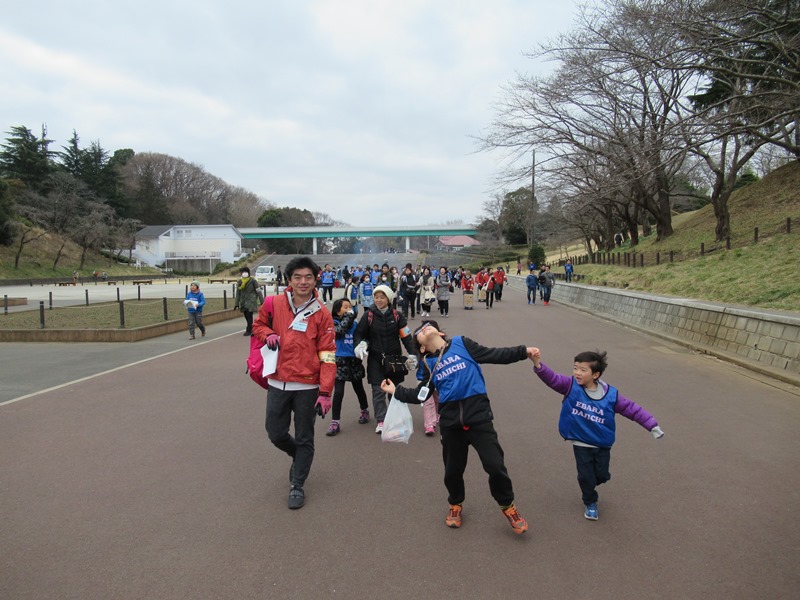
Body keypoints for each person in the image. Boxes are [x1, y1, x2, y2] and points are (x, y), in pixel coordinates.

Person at [380, 320, 534, 534]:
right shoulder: (428, 365)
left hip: (479, 418)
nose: (423, 328)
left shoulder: (463, 344)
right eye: (419, 332)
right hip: (451, 424)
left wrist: (522, 352)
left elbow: (493, 354)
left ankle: (508, 506)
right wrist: (395, 390)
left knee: (495, 465)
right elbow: (420, 394)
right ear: (422, 348)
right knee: (453, 470)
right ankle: (455, 504)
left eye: (427, 326)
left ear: (441, 332)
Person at [529, 348, 664, 521]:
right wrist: (537, 364)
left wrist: (651, 425)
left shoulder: (611, 396)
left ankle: (594, 482)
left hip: (601, 443)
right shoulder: (570, 386)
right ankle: (590, 502)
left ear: (596, 374)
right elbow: (553, 379)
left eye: (583, 370)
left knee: (601, 475)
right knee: (586, 477)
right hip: (581, 442)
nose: (577, 372)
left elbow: (632, 409)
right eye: (575, 368)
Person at [251, 256, 336, 510]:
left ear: (315, 280)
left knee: (305, 437)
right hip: (278, 381)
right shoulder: (274, 303)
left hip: (308, 387)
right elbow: (258, 325)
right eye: (297, 277)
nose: (303, 281)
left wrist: (325, 391)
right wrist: (268, 334)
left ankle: (297, 484)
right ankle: (297, 455)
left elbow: (328, 354)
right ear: (289, 280)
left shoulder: (322, 313)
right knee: (275, 433)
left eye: (308, 277)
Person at [352, 285, 417, 434]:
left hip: (394, 360)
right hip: (376, 359)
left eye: (382, 297)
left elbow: (406, 337)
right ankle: (381, 420)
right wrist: (359, 345)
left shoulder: (397, 316)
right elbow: (359, 333)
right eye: (376, 297)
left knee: (394, 390)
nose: (379, 300)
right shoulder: (368, 315)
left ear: (389, 299)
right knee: (378, 390)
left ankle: (395, 418)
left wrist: (413, 354)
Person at [326, 298, 370, 436]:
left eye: (350, 307)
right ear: (337, 310)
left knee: (359, 388)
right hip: (339, 361)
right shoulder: (333, 323)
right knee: (338, 392)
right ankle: (335, 422)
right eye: (345, 307)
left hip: (353, 360)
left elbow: (363, 336)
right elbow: (340, 331)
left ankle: (364, 410)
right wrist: (349, 316)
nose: (349, 309)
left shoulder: (355, 324)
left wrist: (363, 344)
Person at [235, 267, 264, 336]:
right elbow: (238, 293)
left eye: (245, 272)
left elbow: (258, 291)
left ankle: (249, 329)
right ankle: (251, 328)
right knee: (246, 315)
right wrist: (236, 303)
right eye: (243, 272)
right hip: (243, 301)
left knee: (249, 315)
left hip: (251, 301)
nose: (244, 273)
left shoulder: (253, 281)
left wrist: (262, 301)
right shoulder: (240, 282)